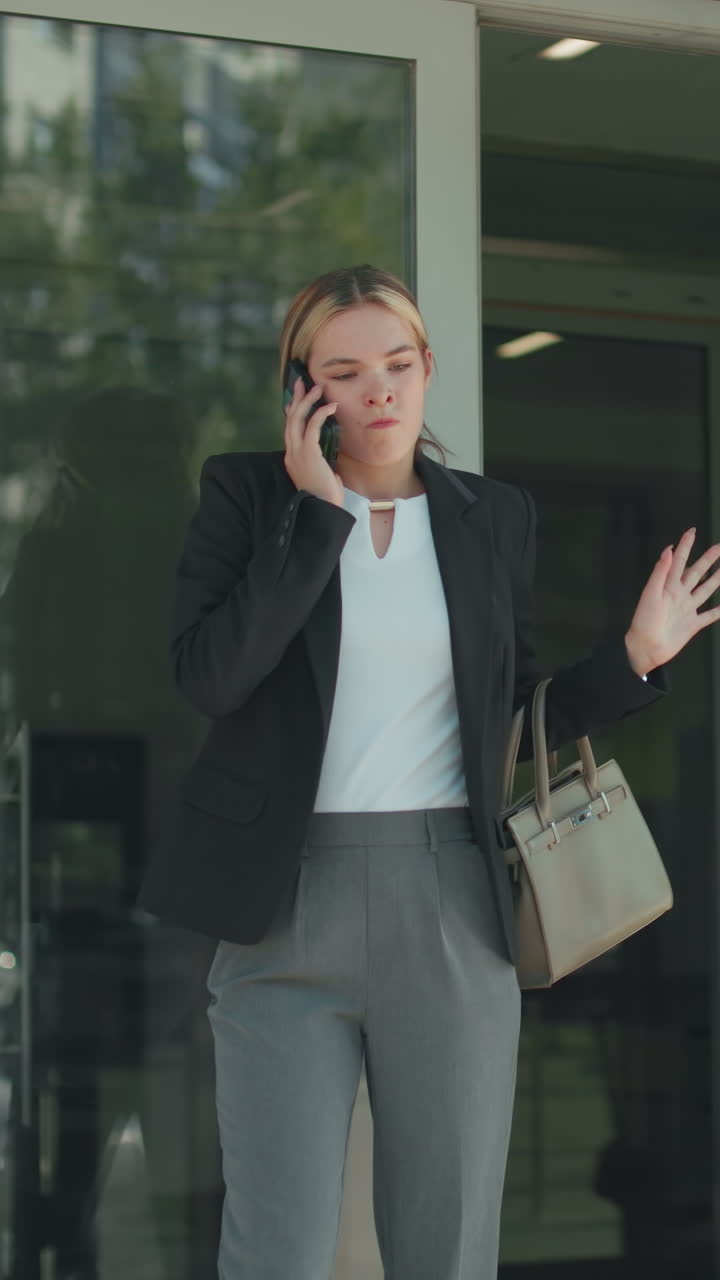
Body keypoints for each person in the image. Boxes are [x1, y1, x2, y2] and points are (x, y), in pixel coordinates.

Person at [138, 264, 720, 1280]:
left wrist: (634, 656)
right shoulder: (246, 496)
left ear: (429, 367)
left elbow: (510, 713)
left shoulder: (490, 515)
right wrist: (316, 517)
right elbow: (213, 677)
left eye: (399, 363)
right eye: (347, 370)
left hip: (450, 891)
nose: (380, 390)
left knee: (446, 1245)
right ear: (301, 388)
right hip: (282, 898)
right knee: (272, 1246)